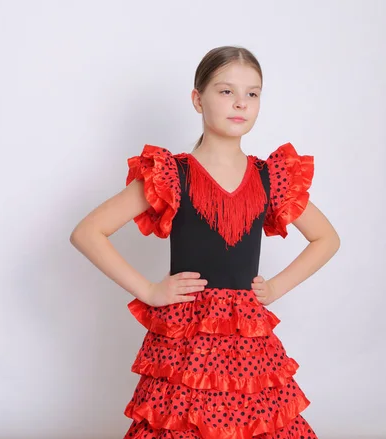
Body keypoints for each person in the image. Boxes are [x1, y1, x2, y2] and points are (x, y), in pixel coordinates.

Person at [69, 46, 340, 439]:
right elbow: (88, 232)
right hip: (185, 334)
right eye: (226, 91)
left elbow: (326, 239)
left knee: (254, 420)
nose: (241, 103)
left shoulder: (270, 178)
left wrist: (277, 286)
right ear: (198, 99)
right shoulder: (172, 174)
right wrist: (148, 290)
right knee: (184, 424)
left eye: (253, 93)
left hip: (247, 337)